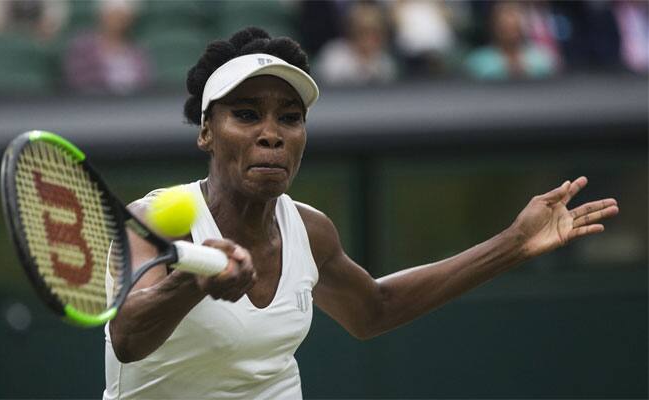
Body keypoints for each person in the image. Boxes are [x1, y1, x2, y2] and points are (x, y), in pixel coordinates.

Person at [103, 27, 619, 399]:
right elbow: (128, 339)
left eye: (290, 118)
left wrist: (514, 243)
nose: (271, 133)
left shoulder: (310, 230)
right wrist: (195, 280)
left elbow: (374, 309)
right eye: (245, 114)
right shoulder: (149, 221)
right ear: (206, 132)